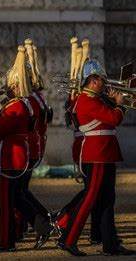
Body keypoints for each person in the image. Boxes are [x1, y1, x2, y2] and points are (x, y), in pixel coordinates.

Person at [55, 57, 135, 256]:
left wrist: (116, 99)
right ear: (92, 80)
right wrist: (120, 103)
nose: (105, 83)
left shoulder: (96, 98)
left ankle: (111, 244)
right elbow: (114, 118)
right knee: (90, 198)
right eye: (101, 79)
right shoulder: (87, 100)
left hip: (105, 153)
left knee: (108, 199)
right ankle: (68, 239)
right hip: (96, 154)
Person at [0, 46, 54, 252]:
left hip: (8, 158)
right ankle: (39, 226)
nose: (7, 88)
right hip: (14, 156)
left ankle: (6, 242)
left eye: (10, 85)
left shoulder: (17, 106)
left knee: (6, 202)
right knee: (15, 198)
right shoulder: (21, 104)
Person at [14, 39, 52, 239]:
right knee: (21, 191)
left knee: (18, 192)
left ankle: (43, 222)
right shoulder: (37, 97)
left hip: (26, 148)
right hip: (33, 146)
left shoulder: (29, 99)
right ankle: (25, 226)